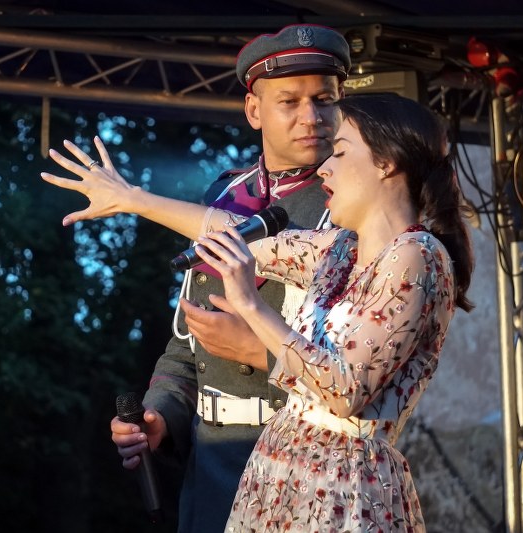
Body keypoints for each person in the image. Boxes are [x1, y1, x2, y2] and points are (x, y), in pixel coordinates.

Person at [42, 92, 474, 531]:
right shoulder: (342, 249)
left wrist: (251, 306)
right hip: (280, 473)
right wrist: (132, 199)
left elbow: (346, 390)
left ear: (386, 163)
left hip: (339, 487)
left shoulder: (417, 255)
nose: (325, 166)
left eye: (341, 152)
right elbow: (230, 233)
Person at [44, 24, 352, 532]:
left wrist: (258, 351)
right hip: (213, 470)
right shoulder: (224, 196)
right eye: (289, 101)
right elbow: (186, 350)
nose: (311, 117)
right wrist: (158, 416)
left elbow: (358, 375)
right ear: (254, 110)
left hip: (305, 465)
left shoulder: (353, 206)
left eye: (324, 100)